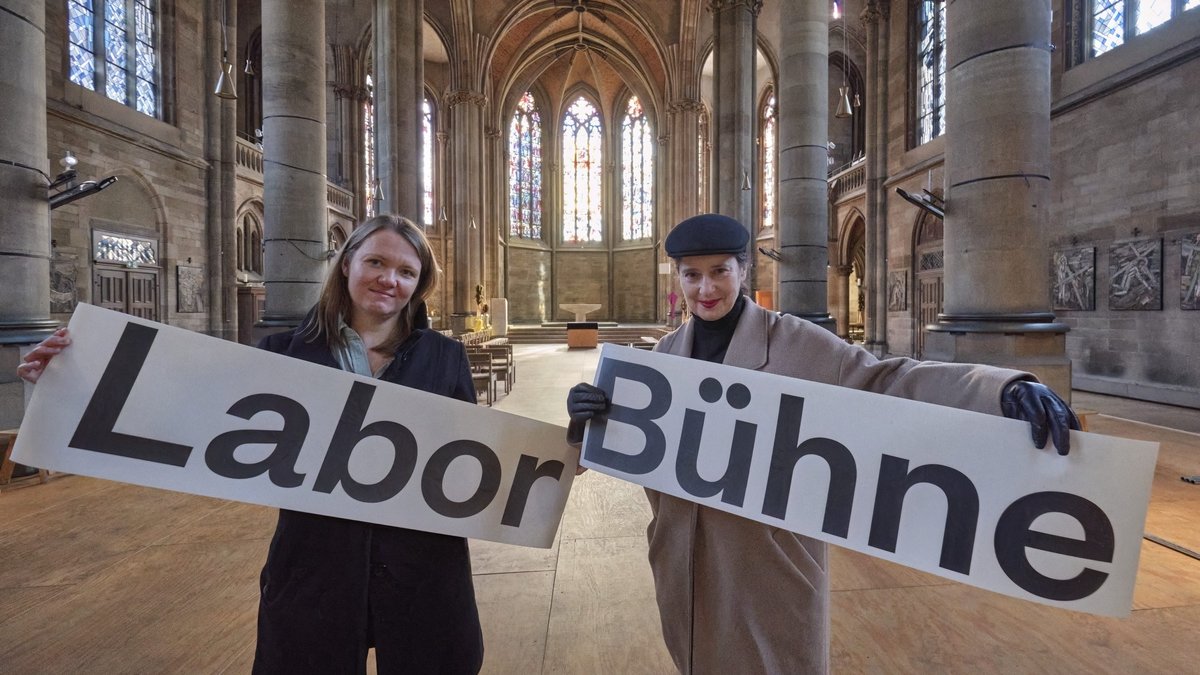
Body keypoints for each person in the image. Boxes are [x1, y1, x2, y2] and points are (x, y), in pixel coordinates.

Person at [566, 213, 1079, 675]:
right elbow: (617, 451)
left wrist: (1000, 389)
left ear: (743, 269)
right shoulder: (663, 357)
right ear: (678, 279)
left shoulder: (796, 343)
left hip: (768, 570)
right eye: (692, 274)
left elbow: (887, 381)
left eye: (719, 271)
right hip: (683, 568)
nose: (706, 288)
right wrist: (588, 420)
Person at [18, 214, 484, 674]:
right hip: (315, 563)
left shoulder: (446, 358)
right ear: (347, 264)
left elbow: (469, 463)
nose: (389, 279)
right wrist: (70, 382)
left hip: (424, 568)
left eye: (406, 271)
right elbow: (186, 413)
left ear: (419, 283)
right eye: (376, 262)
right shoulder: (282, 354)